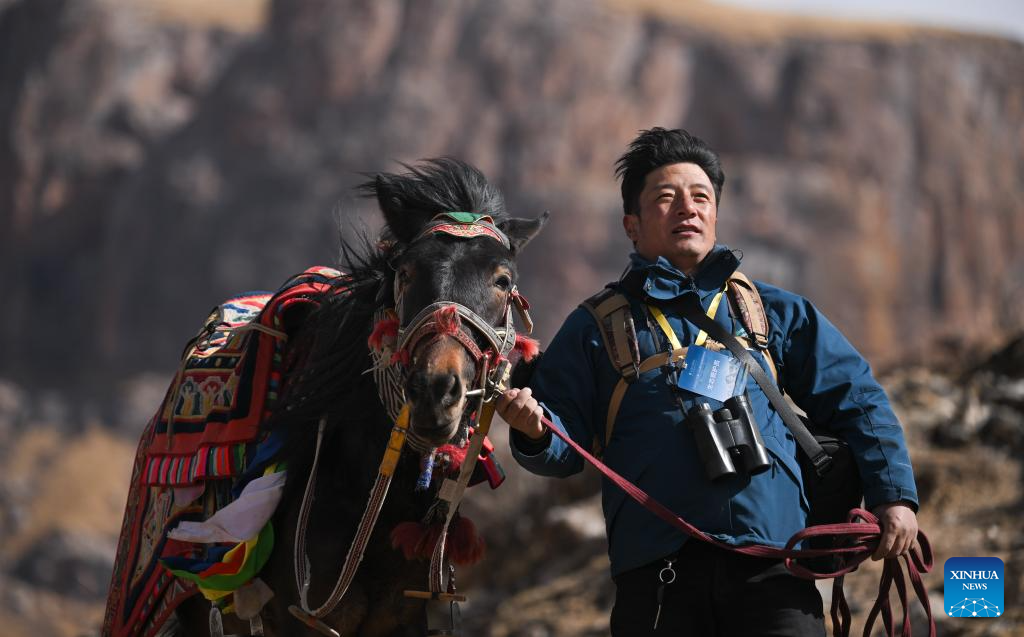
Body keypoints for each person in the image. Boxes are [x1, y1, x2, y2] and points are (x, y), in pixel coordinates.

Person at [496, 127, 920, 636]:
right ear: (631, 224)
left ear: (716, 214)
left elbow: (858, 399)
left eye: (701, 197)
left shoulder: (772, 311)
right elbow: (563, 439)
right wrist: (535, 431)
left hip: (776, 570)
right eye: (665, 198)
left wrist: (893, 496)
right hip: (658, 577)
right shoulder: (594, 326)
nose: (687, 209)